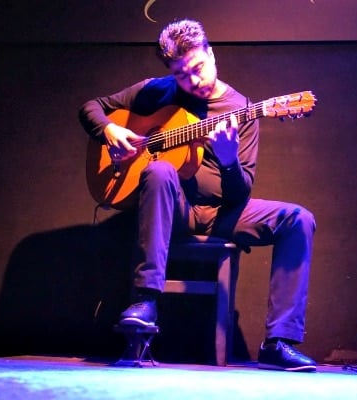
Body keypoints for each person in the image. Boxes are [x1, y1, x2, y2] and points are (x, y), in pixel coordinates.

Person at [79, 19, 317, 372]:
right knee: (160, 169)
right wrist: (110, 129)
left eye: (198, 69)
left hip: (223, 213)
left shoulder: (242, 109)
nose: (193, 81)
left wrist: (229, 160)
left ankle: (279, 341)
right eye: (182, 75)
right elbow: (91, 107)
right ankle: (146, 303)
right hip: (173, 208)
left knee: (299, 219)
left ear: (211, 54)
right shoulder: (157, 92)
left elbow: (240, 193)